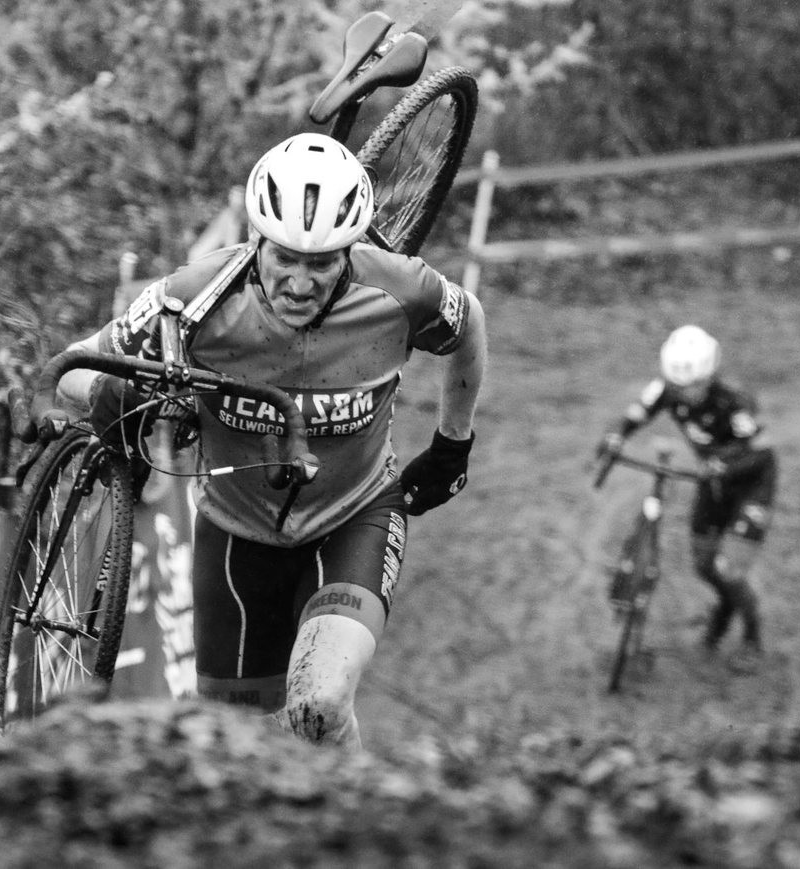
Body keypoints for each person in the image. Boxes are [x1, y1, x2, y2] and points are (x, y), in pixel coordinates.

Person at [55, 132, 488, 751]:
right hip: (234, 539)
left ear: (352, 250)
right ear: (256, 238)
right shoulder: (193, 298)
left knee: (319, 705)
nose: (300, 281)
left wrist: (454, 441)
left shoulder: (401, 291)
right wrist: (129, 400)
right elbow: (76, 369)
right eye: (284, 257)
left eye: (323, 262)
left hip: (356, 517)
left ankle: (356, 829)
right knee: (240, 747)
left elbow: (468, 321)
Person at [595, 325, 776, 672]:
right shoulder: (666, 389)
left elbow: (761, 452)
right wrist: (617, 436)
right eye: (679, 386)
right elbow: (636, 414)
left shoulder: (734, 401)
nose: (685, 393)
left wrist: (723, 465)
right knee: (705, 564)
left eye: (694, 385)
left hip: (753, 484)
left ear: (710, 376)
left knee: (728, 569)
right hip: (713, 480)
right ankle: (724, 612)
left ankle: (753, 635)